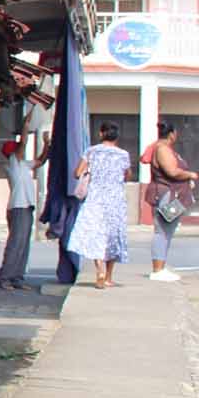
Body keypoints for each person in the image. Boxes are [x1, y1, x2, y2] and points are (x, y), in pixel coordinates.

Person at [68, 121, 133, 288]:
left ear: (101, 134)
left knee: (97, 234)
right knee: (113, 236)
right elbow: (127, 175)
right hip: (115, 201)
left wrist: (91, 172)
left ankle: (100, 272)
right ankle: (109, 276)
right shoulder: (123, 154)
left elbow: (77, 173)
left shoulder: (91, 152)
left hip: (95, 199)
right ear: (116, 136)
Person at [141, 120, 198, 282]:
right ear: (172, 134)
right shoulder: (162, 149)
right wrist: (190, 175)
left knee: (167, 232)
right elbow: (172, 171)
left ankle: (161, 267)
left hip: (172, 194)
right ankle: (157, 269)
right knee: (162, 231)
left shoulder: (162, 148)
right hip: (166, 194)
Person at [0, 136, 45, 290]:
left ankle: (17, 277)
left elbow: (41, 161)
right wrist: (27, 122)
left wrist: (47, 145)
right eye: (18, 149)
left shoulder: (22, 165)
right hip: (18, 207)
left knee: (23, 245)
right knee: (15, 244)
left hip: (26, 207)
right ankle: (4, 277)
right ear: (13, 152)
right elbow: (23, 143)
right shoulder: (12, 164)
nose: (22, 150)